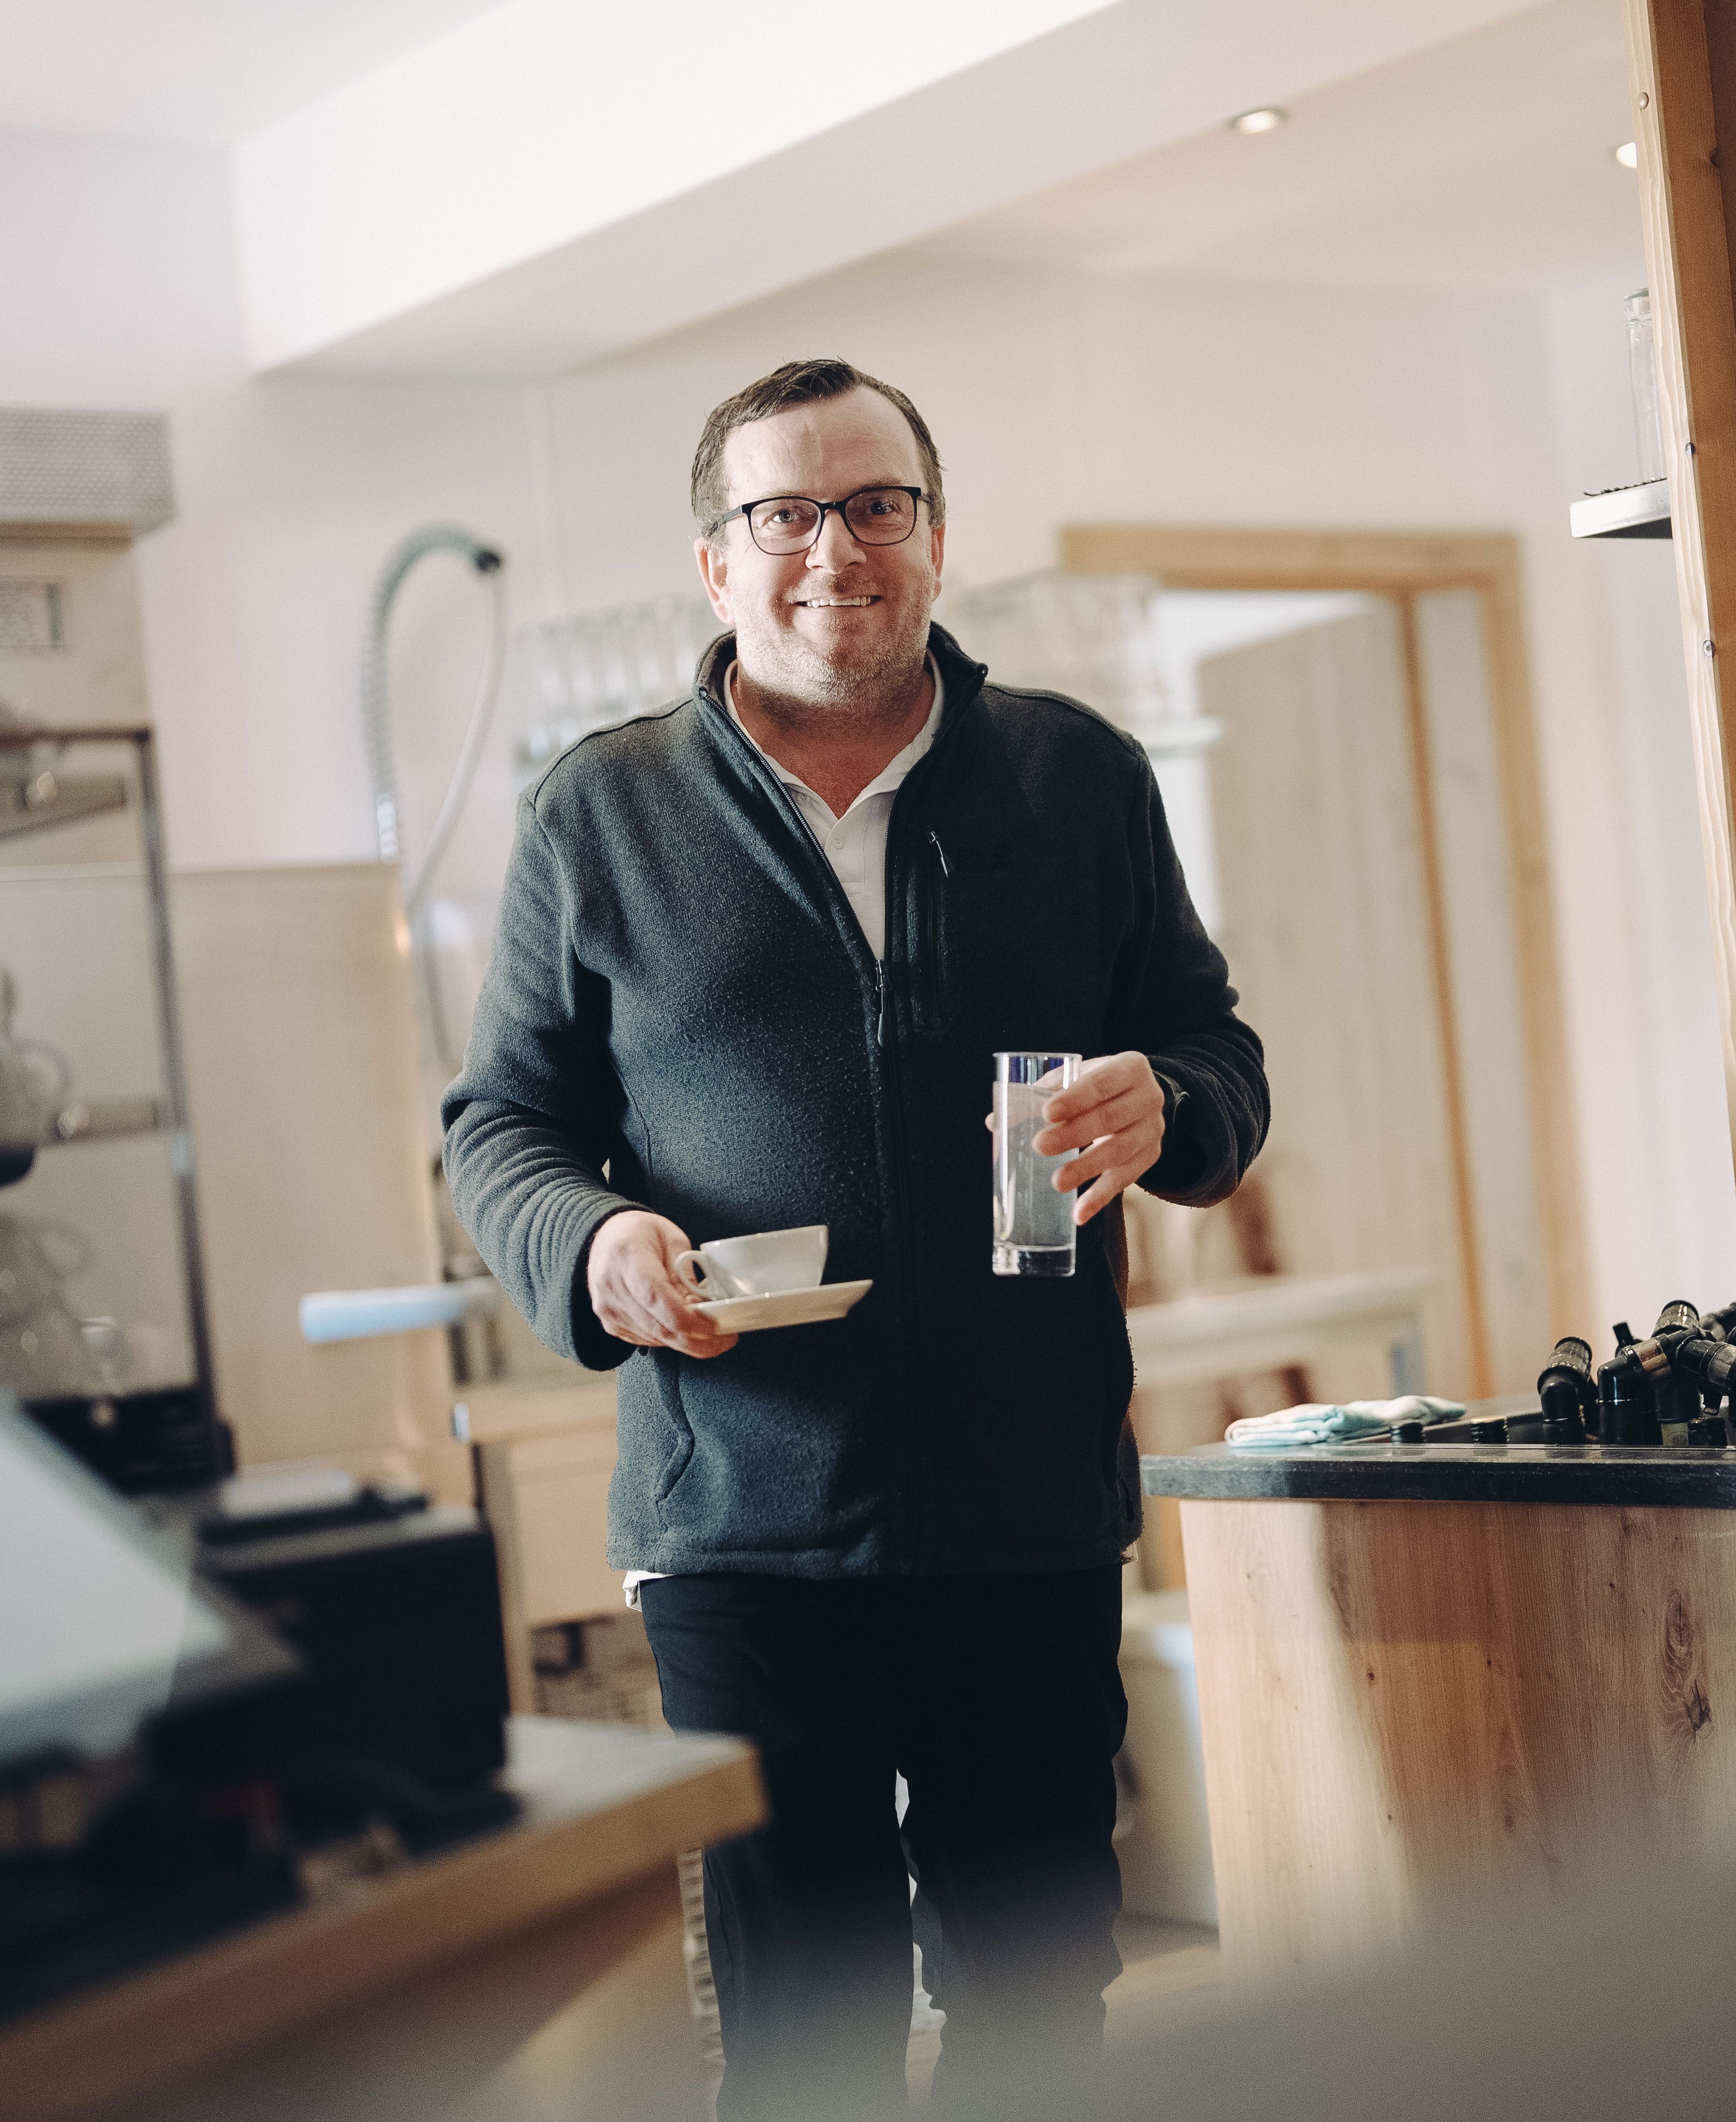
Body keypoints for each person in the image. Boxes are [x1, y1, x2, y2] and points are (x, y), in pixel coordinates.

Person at [442, 356, 1269, 2114]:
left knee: (1040, 2008)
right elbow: (501, 1125)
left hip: (1027, 1511)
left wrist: (1176, 1106)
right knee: (802, 2028)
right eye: (785, 514)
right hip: (742, 1529)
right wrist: (589, 1241)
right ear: (717, 564)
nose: (837, 550)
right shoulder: (603, 813)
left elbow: (1217, 1054)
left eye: (877, 505)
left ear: (937, 537)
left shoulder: (1077, 776)